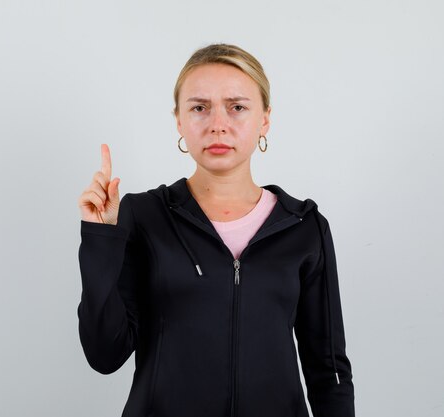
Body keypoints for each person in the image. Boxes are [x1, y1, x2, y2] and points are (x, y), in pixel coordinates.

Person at [76, 43, 355, 417]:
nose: (217, 124)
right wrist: (101, 238)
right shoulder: (142, 215)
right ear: (179, 120)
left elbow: (329, 370)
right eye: (199, 107)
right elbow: (104, 354)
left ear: (265, 119)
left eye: (237, 107)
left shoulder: (305, 227)